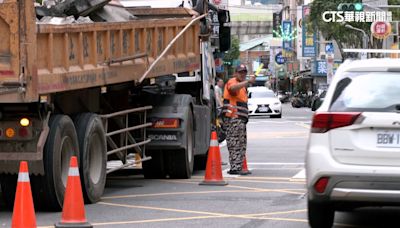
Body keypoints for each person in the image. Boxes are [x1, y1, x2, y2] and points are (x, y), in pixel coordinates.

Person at [222, 64, 255, 175]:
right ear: (235, 73)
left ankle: (239, 166)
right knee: (235, 143)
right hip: (233, 119)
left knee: (241, 144)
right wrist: (248, 82)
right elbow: (232, 89)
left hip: (240, 120)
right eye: (240, 72)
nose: (242, 74)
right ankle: (235, 168)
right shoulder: (233, 82)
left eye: (244, 72)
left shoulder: (243, 87)